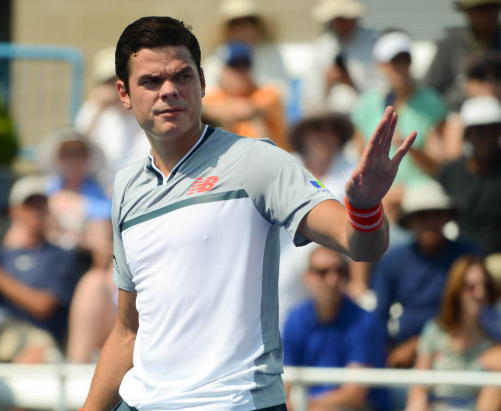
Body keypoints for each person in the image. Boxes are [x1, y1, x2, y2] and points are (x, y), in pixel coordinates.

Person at [81, 16, 416, 411]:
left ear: (203, 82)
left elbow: (361, 245)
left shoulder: (258, 160)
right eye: (151, 81)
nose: (169, 90)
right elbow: (127, 332)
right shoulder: (125, 187)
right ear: (124, 92)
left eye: (182, 76)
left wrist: (363, 207)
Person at [0, 176, 81, 362]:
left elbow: (43, 306)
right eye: (29, 205)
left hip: (35, 337)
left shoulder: (60, 256)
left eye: (41, 204)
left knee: (39, 352)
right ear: (14, 212)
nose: (36, 211)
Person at [371, 181, 481, 368]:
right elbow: (379, 316)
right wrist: (387, 351)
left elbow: (481, 307)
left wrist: (419, 344)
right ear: (410, 221)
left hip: (461, 351)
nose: (431, 222)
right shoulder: (393, 260)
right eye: (422, 215)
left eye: (437, 214)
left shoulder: (467, 257)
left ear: (447, 217)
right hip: (404, 358)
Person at [352, 30, 449, 222]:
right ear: (380, 65)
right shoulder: (366, 105)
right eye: (393, 61)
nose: (401, 67)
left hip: (420, 187)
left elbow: (436, 167)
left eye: (405, 60)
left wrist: (406, 145)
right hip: (379, 189)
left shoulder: (432, 103)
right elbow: (360, 160)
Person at [283, 247, 390, 411]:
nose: (333, 279)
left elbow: (354, 395)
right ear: (307, 278)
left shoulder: (365, 321)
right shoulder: (295, 319)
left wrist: (301, 406)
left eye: (339, 271)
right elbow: (285, 383)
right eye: (323, 272)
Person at [278, 109, 357, 328]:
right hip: (287, 252)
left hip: (338, 260)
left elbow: (362, 227)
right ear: (302, 135)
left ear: (339, 137)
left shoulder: (354, 170)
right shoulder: (284, 166)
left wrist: (359, 280)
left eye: (330, 130)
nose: (323, 135)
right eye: (315, 129)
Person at [406, 256, 501, 411]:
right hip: (435, 407)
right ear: (456, 289)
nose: (480, 293)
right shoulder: (434, 331)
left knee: (496, 385)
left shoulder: (494, 336)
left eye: (486, 286)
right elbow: (418, 389)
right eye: (471, 287)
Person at [74, 47, 151, 188]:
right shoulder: (93, 108)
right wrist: (97, 109)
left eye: (120, 79)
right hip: (99, 187)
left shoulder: (146, 107)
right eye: (110, 82)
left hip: (141, 184)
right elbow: (76, 147)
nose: (116, 87)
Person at [38, 127, 113, 269]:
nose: (72, 159)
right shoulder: (45, 188)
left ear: (87, 158)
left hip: (79, 265)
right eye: (67, 154)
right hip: (43, 261)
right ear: (58, 158)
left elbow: (101, 246)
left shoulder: (98, 196)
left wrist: (69, 237)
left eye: (78, 154)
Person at [438, 95, 501, 256]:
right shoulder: (450, 172)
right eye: (480, 131)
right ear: (467, 135)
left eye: (493, 130)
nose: (487, 138)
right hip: (456, 261)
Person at [202, 41, 288, 150]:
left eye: (245, 66)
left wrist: (213, 110)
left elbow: (246, 110)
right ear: (222, 71)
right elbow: (199, 108)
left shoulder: (269, 94)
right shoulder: (212, 96)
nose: (241, 73)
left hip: (271, 160)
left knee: (257, 125)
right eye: (234, 67)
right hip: (228, 160)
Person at [425, 0, 501, 112]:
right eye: (482, 9)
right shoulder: (450, 44)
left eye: (494, 8)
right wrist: (467, 91)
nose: (489, 14)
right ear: (468, 12)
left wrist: (493, 91)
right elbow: (430, 90)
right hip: (457, 117)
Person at [303, 0, 377, 113]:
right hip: (333, 118)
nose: (338, 23)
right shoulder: (322, 46)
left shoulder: (372, 43)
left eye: (342, 18)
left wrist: (350, 82)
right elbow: (311, 96)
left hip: (366, 115)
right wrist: (327, 83)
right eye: (334, 19)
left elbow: (382, 90)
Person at [203, 0, 288, 97]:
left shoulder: (271, 54)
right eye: (236, 23)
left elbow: (281, 91)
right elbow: (206, 94)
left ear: (257, 26)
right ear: (229, 29)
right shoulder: (218, 56)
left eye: (249, 22)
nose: (244, 28)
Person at [443, 52, 501, 159]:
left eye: (497, 75)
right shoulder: (457, 121)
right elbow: (453, 163)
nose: (490, 83)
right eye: (481, 75)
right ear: (467, 83)